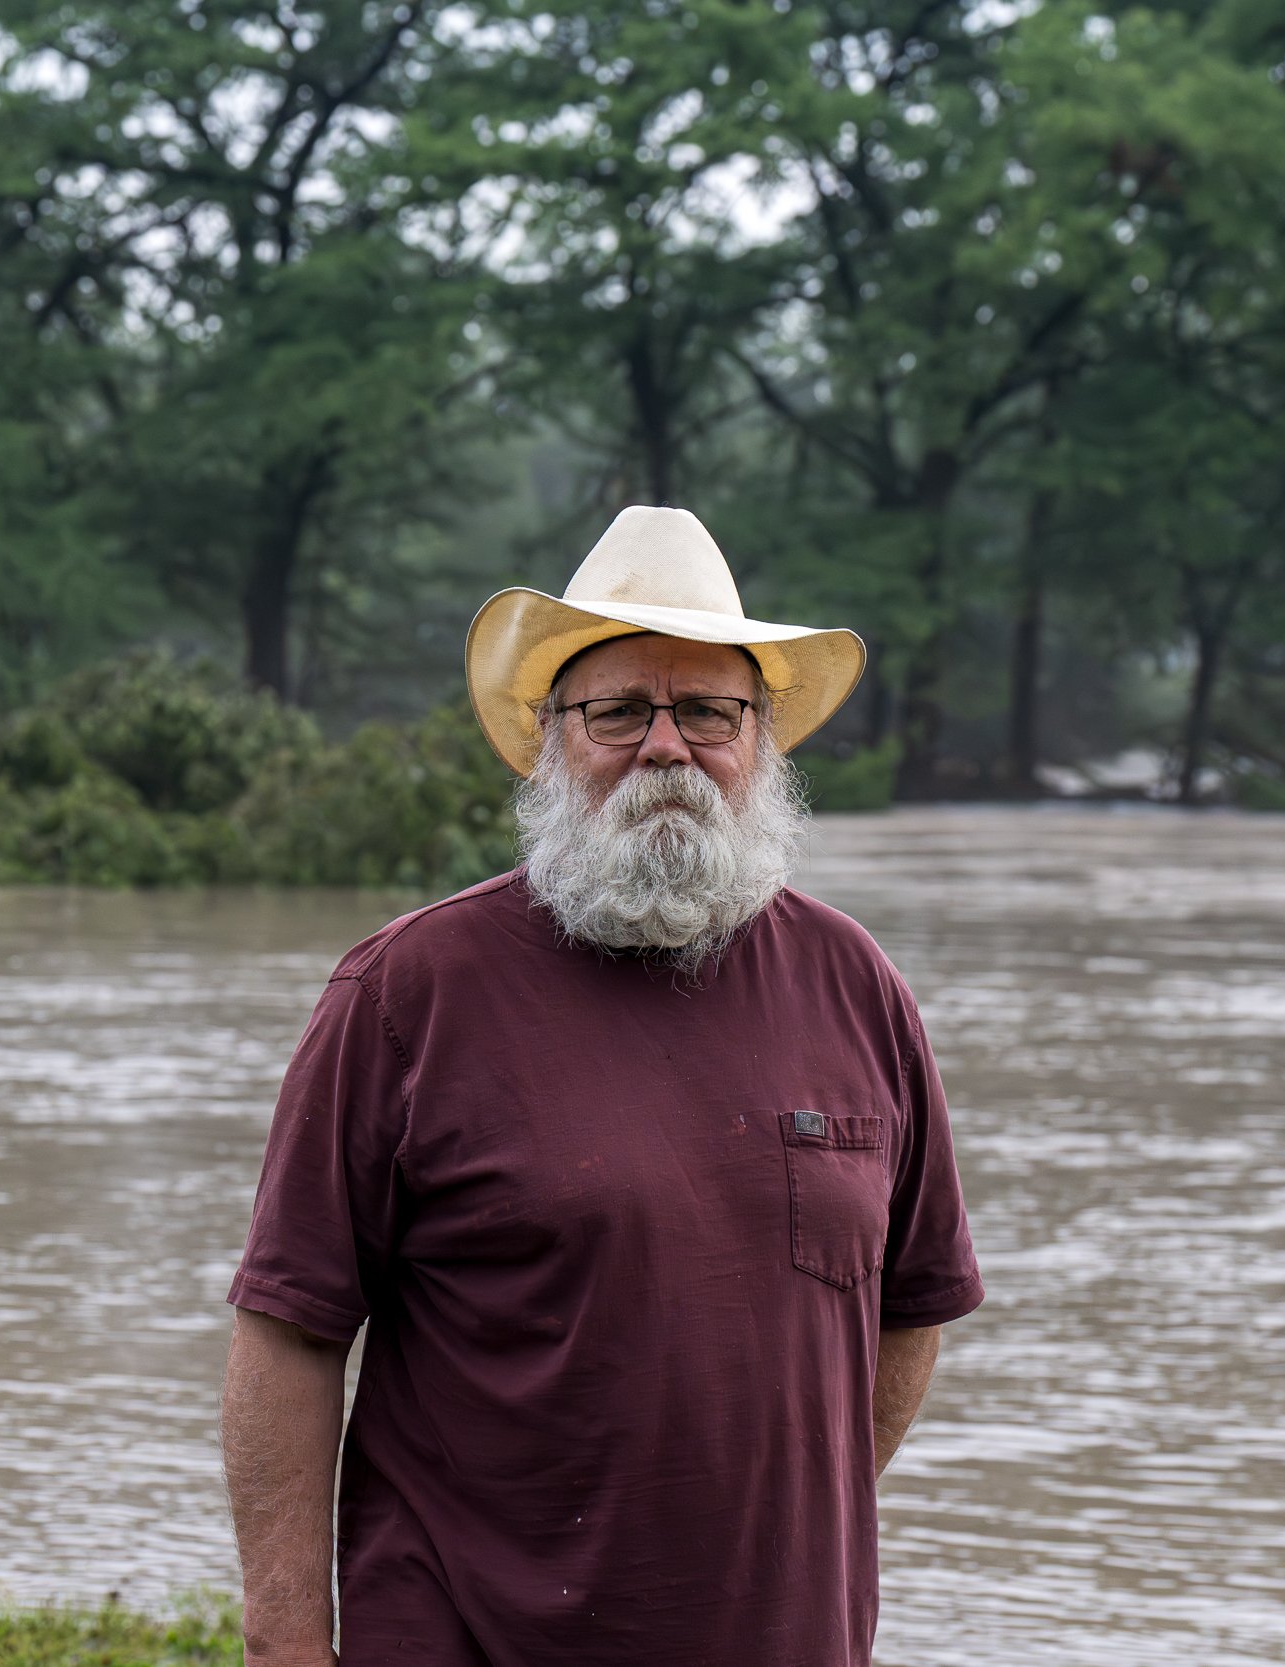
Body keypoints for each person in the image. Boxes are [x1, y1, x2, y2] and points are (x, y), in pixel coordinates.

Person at [220, 505, 984, 1667]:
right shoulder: (406, 991)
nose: (666, 746)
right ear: (549, 738)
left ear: (760, 737)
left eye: (708, 711)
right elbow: (289, 1329)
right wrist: (284, 1643)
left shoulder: (855, 983)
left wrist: (758, 1518)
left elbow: (913, 1303)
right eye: (619, 709)